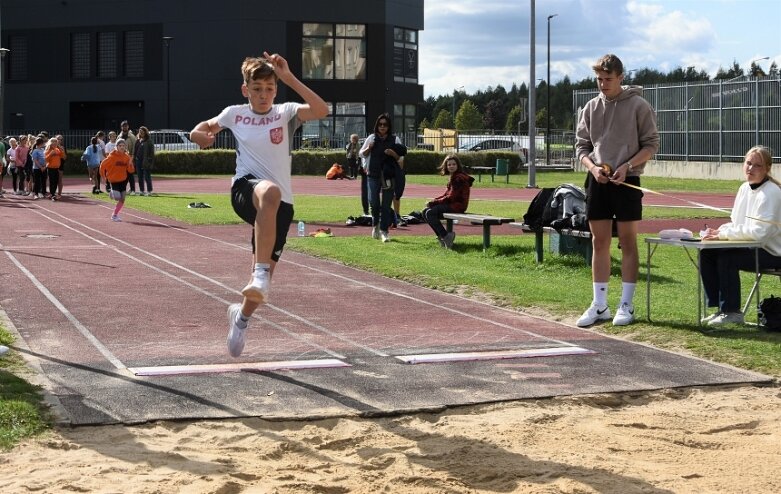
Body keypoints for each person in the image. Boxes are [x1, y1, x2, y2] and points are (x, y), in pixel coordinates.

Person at [189, 52, 328, 357]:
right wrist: (200, 136)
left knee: (259, 289)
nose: (263, 95)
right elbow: (202, 128)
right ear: (245, 90)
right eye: (257, 88)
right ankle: (260, 272)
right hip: (246, 189)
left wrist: (289, 77)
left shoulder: (286, 112)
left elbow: (321, 109)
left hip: (281, 206)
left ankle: (241, 318)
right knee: (270, 192)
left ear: (276, 90)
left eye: (269, 88)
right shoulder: (234, 114)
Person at [575, 53, 660, 327]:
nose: (602, 84)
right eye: (599, 79)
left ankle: (627, 304)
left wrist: (627, 165)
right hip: (597, 182)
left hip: (627, 181)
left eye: (608, 79)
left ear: (621, 77)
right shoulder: (590, 107)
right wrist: (592, 168)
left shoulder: (638, 105)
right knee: (598, 242)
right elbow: (582, 147)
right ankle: (599, 305)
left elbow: (651, 145)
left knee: (627, 242)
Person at [699, 146, 781, 326]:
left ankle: (732, 312)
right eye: (748, 163)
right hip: (753, 246)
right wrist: (719, 232)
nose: (751, 169)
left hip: (773, 253)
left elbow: (760, 233)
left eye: (757, 165)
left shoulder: (772, 192)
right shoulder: (744, 188)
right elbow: (737, 223)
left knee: (728, 258)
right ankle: (720, 308)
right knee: (707, 251)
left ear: (767, 168)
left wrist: (724, 235)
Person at [359, 113, 407, 243]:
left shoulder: (395, 140)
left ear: (389, 126)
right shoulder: (371, 138)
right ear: (377, 125)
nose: (382, 127)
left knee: (386, 204)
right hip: (373, 174)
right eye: (380, 124)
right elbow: (361, 154)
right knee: (374, 203)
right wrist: (369, 148)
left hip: (388, 175)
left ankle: (384, 231)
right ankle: (375, 225)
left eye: (385, 125)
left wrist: (394, 154)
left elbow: (401, 161)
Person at [422, 154, 474, 249]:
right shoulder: (454, 177)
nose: (451, 166)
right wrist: (434, 200)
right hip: (452, 204)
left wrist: (434, 203)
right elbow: (446, 194)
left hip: (458, 205)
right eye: (449, 164)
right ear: (446, 166)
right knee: (425, 211)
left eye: (454, 164)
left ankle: (445, 237)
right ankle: (443, 238)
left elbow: (451, 197)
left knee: (430, 212)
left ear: (458, 165)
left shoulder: (459, 178)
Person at [99, 138, 135, 221]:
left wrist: (130, 164)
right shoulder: (112, 157)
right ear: (116, 147)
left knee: (122, 199)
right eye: (120, 146)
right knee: (117, 197)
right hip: (113, 180)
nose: (122, 147)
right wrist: (103, 177)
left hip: (123, 180)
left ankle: (114, 215)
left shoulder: (127, 157)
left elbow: (131, 171)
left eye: (123, 146)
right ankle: (112, 192)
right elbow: (102, 166)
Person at [133, 126, 155, 196]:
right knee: (139, 177)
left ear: (145, 132)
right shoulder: (138, 140)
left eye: (142, 131)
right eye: (140, 131)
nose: (141, 132)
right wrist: (134, 159)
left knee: (147, 176)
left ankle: (149, 191)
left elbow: (152, 153)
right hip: (138, 161)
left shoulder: (149, 141)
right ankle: (141, 190)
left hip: (146, 161)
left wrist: (151, 162)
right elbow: (135, 151)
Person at [118, 121, 138, 194]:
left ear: (128, 127)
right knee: (123, 174)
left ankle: (133, 190)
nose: (124, 127)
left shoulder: (132, 137)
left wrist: (132, 158)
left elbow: (134, 148)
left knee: (130, 174)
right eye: (123, 126)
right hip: (121, 159)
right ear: (121, 127)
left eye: (126, 126)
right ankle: (123, 189)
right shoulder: (119, 137)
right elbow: (116, 147)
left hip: (130, 158)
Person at [55, 134, 67, 199]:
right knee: (53, 179)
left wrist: (62, 150)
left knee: (59, 179)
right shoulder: (52, 147)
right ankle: (53, 193)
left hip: (60, 165)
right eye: (58, 139)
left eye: (61, 139)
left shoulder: (63, 147)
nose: (59, 140)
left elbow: (65, 158)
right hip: (53, 165)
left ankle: (59, 193)